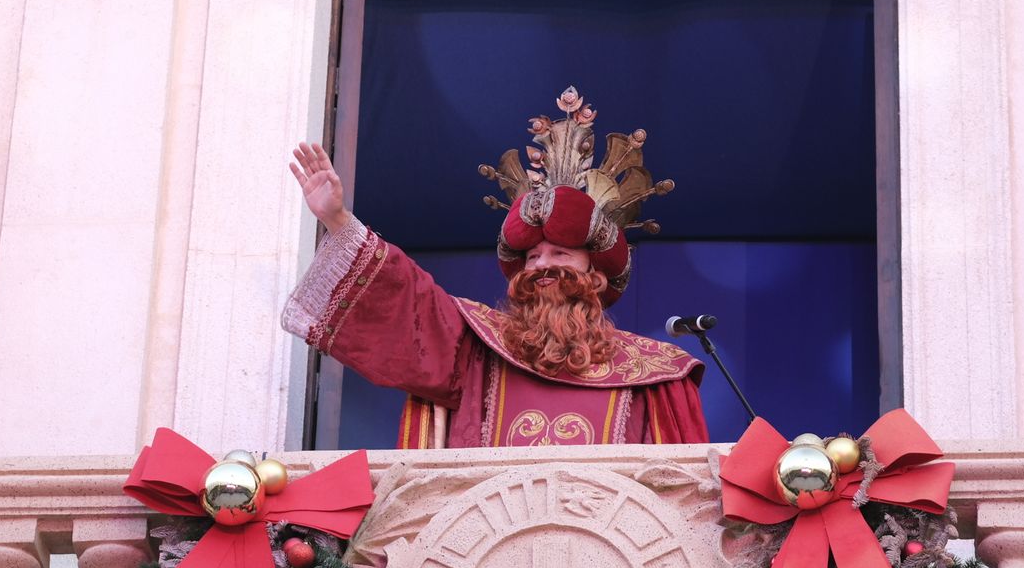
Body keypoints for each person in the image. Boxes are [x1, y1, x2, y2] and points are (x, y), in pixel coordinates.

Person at [281, 87, 709, 448]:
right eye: (533, 257)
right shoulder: (473, 350)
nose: (542, 267)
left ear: (596, 276)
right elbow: (407, 297)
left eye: (560, 254)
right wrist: (337, 219)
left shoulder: (657, 377)